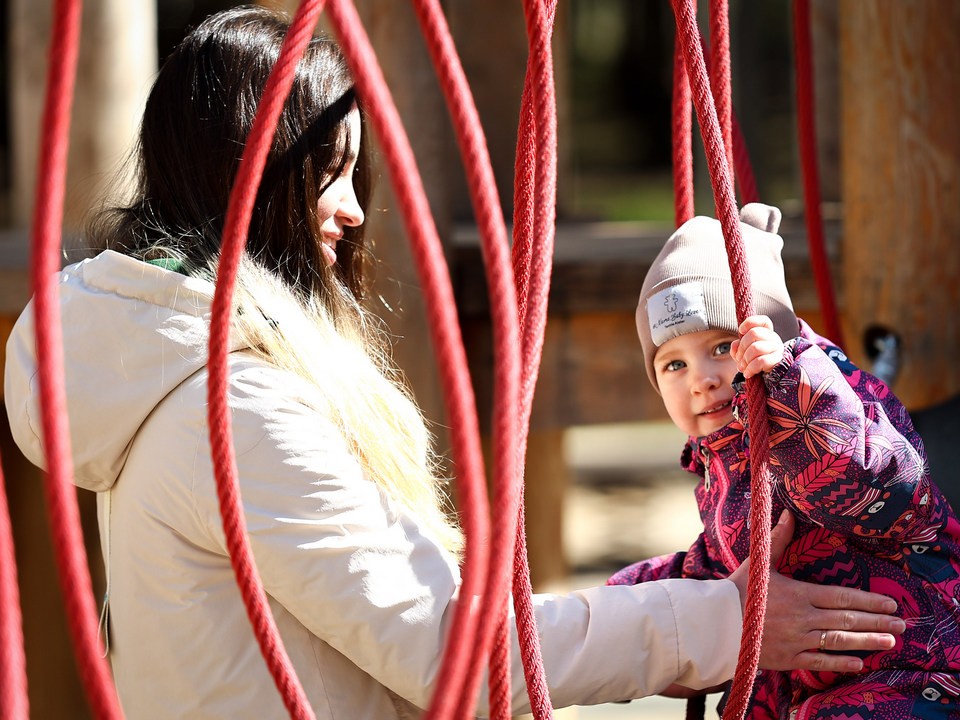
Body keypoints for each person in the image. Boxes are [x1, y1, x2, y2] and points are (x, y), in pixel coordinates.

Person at [4, 7, 904, 719]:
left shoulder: (168, 376)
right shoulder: (237, 409)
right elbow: (455, 658)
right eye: (330, 172)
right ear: (258, 174)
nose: (354, 210)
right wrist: (721, 619)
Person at [610, 203, 960, 718]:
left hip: (911, 665)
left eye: (724, 346)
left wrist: (790, 389)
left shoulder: (838, 400)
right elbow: (717, 567)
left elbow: (875, 488)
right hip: (806, 673)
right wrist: (615, 605)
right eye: (674, 364)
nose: (701, 379)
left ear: (774, 339)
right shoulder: (722, 463)